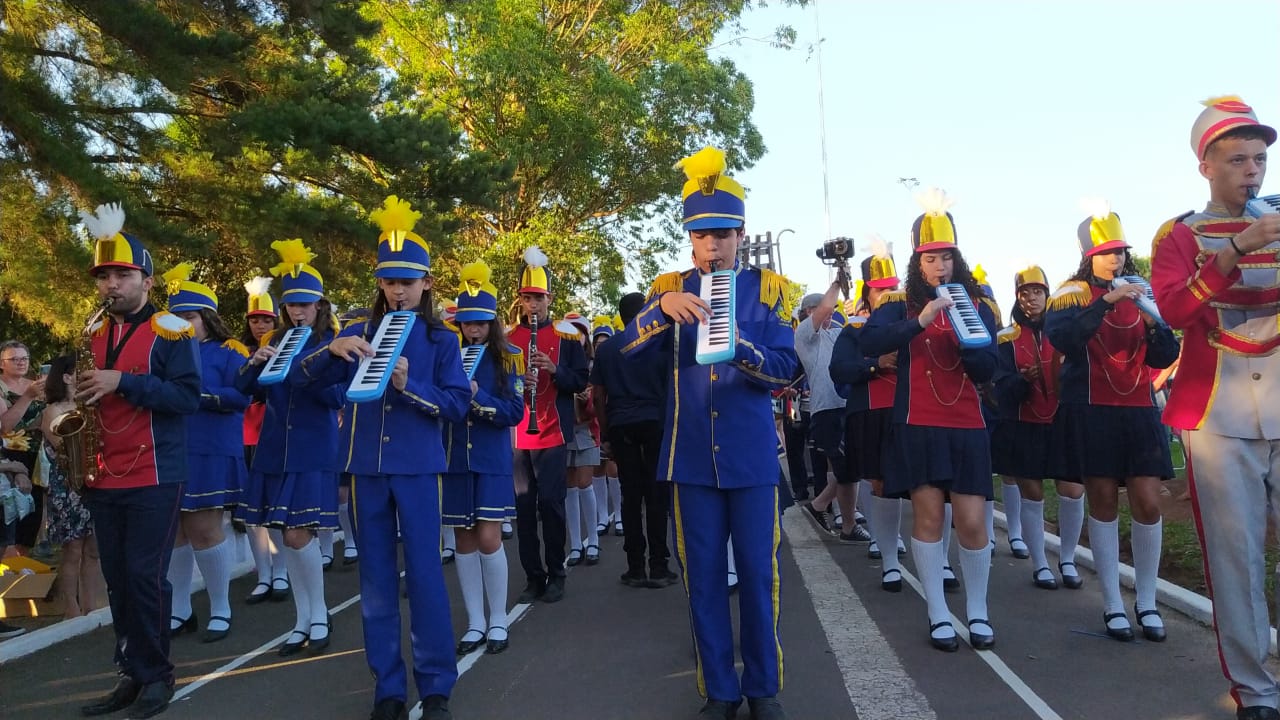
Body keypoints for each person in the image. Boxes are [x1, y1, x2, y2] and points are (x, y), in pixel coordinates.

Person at [619, 146, 797, 720]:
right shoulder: (669, 289)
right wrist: (656, 311)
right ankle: (718, 690)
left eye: (722, 233)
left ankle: (763, 690)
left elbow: (786, 368)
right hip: (690, 458)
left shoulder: (768, 290)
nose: (712, 245)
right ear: (690, 239)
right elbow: (623, 355)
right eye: (702, 235)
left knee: (757, 574)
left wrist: (742, 347)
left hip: (749, 459)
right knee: (702, 582)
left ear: (741, 234)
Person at [294, 196, 470, 720]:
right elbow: (300, 383)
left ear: (427, 283)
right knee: (373, 584)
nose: (398, 290)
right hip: (366, 471)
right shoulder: (355, 332)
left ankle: (436, 684)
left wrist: (409, 384)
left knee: (424, 579)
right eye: (390, 282)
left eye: (408, 281)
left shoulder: (441, 339)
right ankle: (388, 689)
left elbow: (458, 403)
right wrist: (328, 351)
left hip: (417, 470)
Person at [1150, 96, 1280, 720]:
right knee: (1235, 560)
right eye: (1237, 159)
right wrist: (1235, 250)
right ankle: (1257, 693)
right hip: (1217, 415)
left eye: (1259, 158)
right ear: (1207, 165)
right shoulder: (1178, 235)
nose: (1253, 170)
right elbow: (1175, 310)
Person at [860, 188, 1000, 653]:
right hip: (917, 424)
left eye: (947, 258)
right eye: (931, 258)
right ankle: (939, 613)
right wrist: (921, 321)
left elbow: (987, 371)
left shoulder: (977, 307)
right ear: (917, 264)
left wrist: (969, 341)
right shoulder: (897, 308)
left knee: (974, 521)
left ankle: (977, 611)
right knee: (926, 517)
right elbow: (867, 344)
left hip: (967, 425)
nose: (940, 266)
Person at [75, 203, 201, 719]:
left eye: (122, 274)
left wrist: (122, 382)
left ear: (146, 280)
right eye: (104, 276)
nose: (111, 285)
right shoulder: (92, 331)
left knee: (145, 575)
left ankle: (157, 677)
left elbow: (187, 398)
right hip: (102, 471)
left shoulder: (172, 329)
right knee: (119, 579)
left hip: (154, 472)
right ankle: (129, 672)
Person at [1044, 200, 1179, 643]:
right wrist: (1106, 301)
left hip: (1139, 408)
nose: (1115, 259)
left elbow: (1165, 355)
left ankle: (1146, 600)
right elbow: (1063, 336)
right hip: (1092, 408)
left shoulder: (1142, 290)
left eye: (1119, 251)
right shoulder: (1070, 293)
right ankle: (1112, 603)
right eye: (1106, 252)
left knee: (1148, 501)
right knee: (1101, 501)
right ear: (1089, 255)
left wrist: (1156, 323)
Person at [235, 239, 342, 659]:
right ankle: (302, 619)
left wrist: (311, 365)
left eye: (306, 304)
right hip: (274, 448)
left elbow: (337, 398)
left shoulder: (334, 340)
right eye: (292, 304)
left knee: (299, 534)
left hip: (313, 447)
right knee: (283, 536)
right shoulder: (275, 339)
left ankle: (320, 612)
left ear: (320, 304)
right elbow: (245, 390)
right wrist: (256, 361)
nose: (298, 311)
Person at [161, 263, 249, 642]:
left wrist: (200, 398)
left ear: (208, 318)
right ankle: (180, 609)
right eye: (176, 316)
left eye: (190, 316)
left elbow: (242, 396)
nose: (183, 323)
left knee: (204, 528)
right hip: (171, 448)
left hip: (212, 448)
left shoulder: (230, 352)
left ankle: (221, 607)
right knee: (175, 531)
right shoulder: (163, 354)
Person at [440, 260, 523, 658]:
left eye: (481, 323)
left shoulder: (509, 357)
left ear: (493, 323)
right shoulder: (447, 355)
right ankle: (475, 620)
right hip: (455, 458)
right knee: (464, 538)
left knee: (490, 537)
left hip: (490, 458)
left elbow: (515, 412)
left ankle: (498, 619)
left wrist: (478, 397)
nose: (473, 330)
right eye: (467, 323)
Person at [991, 266, 1086, 591]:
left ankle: (1068, 558)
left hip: (1062, 421)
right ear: (1017, 297)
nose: (1032, 298)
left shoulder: (1064, 330)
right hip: (1023, 424)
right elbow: (999, 384)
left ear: (1047, 294)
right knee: (1032, 494)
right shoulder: (1006, 337)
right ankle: (1041, 564)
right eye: (1025, 293)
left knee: (1072, 491)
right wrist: (1023, 379)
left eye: (1038, 291)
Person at [507, 247, 589, 605]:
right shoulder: (508, 338)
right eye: (527, 298)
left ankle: (557, 572)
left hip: (553, 433)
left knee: (552, 505)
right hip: (519, 435)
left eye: (538, 298)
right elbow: (499, 383)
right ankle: (532, 576)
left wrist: (555, 370)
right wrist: (517, 382)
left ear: (549, 299)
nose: (533, 304)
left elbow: (581, 380)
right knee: (523, 509)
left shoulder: (567, 335)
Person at [829, 241, 907, 591]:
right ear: (868, 293)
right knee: (881, 484)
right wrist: (877, 364)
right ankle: (888, 556)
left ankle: (941, 565)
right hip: (871, 413)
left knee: (931, 486)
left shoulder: (916, 323)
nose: (888, 296)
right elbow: (840, 369)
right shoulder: (855, 330)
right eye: (880, 291)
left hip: (913, 412)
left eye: (893, 289)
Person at [591, 294, 674, 588]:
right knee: (656, 494)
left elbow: (598, 394)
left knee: (630, 494)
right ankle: (659, 565)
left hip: (621, 423)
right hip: (655, 422)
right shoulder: (660, 343)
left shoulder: (608, 348)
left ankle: (635, 566)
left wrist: (606, 430)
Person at [794, 280, 870, 545]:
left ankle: (841, 520)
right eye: (815, 310)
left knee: (851, 468)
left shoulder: (839, 332)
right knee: (844, 466)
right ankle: (827, 509)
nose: (825, 313)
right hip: (826, 408)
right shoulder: (804, 335)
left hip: (848, 405)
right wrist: (839, 281)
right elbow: (827, 305)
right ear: (808, 313)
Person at [35, 354, 103, 618]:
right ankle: (71, 609)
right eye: (79, 371)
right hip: (67, 485)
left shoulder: (90, 404)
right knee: (72, 548)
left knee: (93, 548)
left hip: (92, 482)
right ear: (65, 376)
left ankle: (90, 605)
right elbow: (61, 446)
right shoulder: (52, 410)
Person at [238, 277, 291, 604]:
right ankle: (263, 574)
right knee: (250, 509)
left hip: (274, 434)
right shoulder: (237, 351)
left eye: (267, 320)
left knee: (276, 506)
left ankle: (281, 571)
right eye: (255, 320)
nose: (260, 325)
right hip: (243, 436)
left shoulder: (288, 346)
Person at [0, 339, 48, 556]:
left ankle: (23, 578)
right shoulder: (2, 388)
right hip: (9, 458)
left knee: (31, 520)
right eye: (14, 359)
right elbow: (5, 425)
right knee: (10, 521)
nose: (20, 363)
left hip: (37, 456)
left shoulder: (36, 384)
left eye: (24, 358)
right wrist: (28, 396)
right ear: (2, 363)